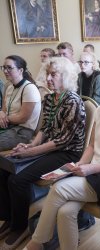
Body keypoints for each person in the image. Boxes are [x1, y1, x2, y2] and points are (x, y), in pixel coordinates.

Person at [25, 68, 100, 250]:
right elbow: (91, 146)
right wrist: (80, 163)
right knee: (65, 211)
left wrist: (91, 169)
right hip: (95, 169)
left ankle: (36, 243)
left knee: (58, 189)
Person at [0, 57, 85, 249]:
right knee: (3, 169)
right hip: (49, 149)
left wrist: (31, 152)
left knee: (17, 180)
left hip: (68, 154)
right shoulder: (50, 98)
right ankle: (9, 218)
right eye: (47, 73)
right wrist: (30, 145)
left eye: (53, 74)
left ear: (66, 76)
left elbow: (62, 141)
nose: (48, 78)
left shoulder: (73, 101)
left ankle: (20, 227)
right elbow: (45, 128)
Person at [0, 55, 41, 151]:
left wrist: (4, 118)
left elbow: (22, 118)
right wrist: (1, 113)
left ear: (20, 70)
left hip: (23, 131)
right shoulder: (9, 87)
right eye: (4, 68)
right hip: (9, 126)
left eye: (9, 68)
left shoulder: (29, 88)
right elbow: (4, 110)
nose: (5, 71)